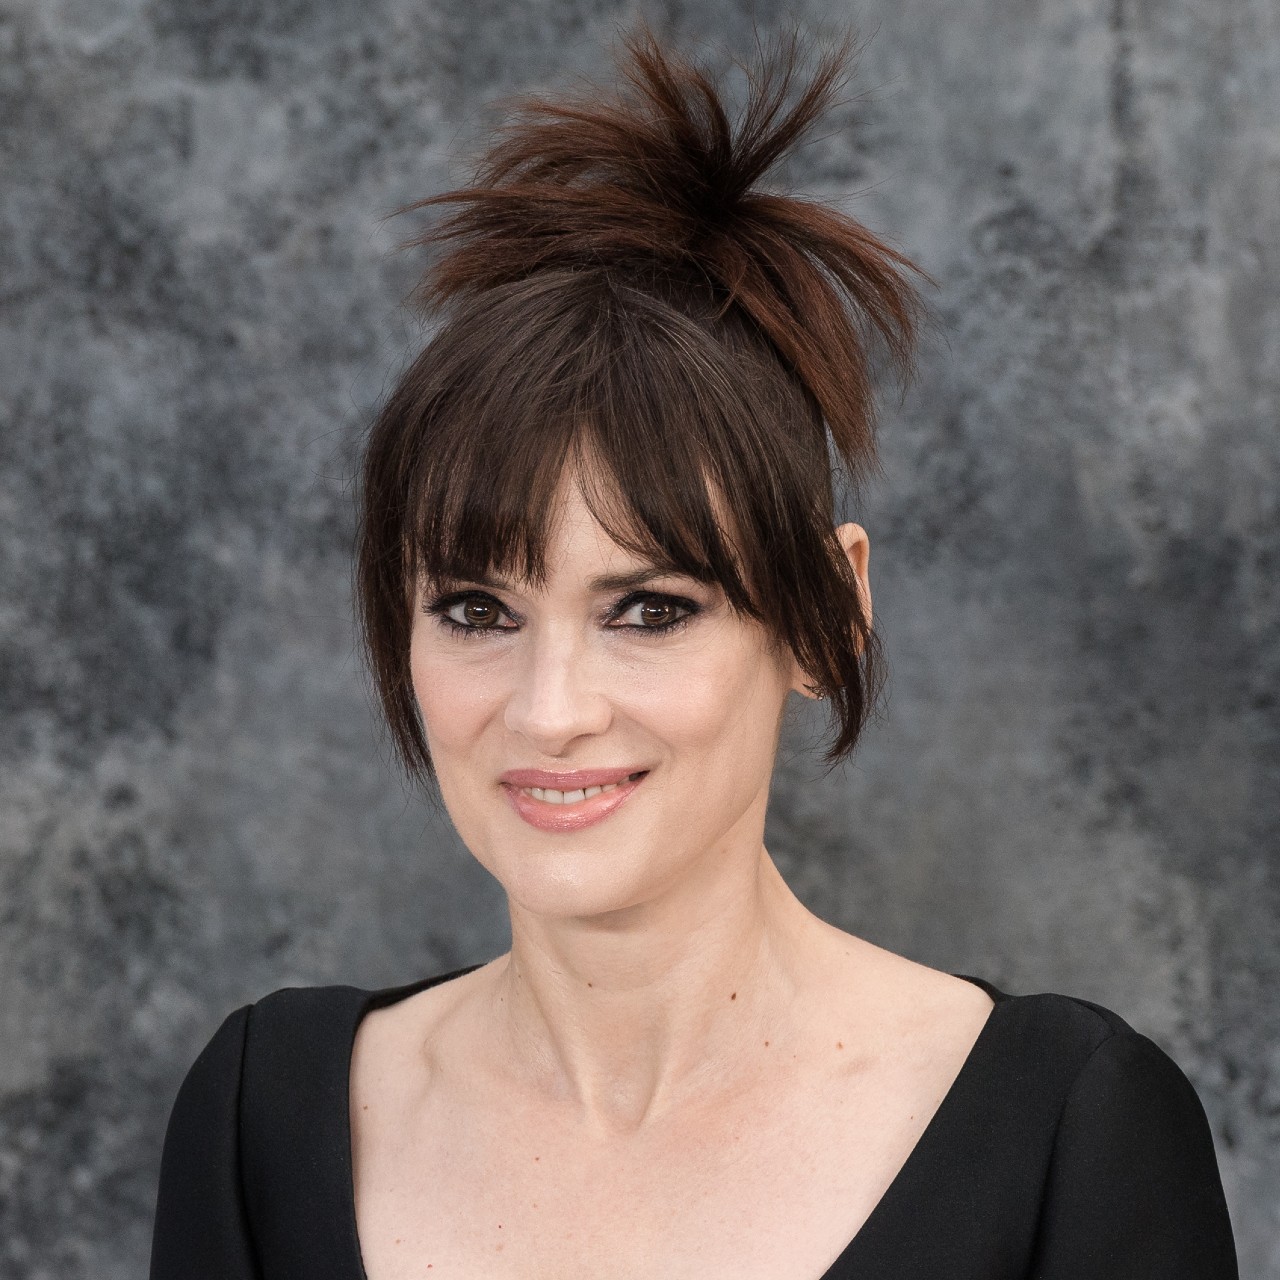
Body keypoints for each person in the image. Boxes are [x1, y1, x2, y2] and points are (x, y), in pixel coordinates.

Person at [149, 29, 1238, 1280]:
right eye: (474, 611)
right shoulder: (261, 1118)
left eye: (649, 609)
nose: (550, 711)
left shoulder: (1073, 1127)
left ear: (827, 613)